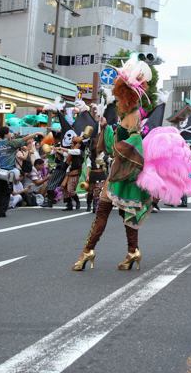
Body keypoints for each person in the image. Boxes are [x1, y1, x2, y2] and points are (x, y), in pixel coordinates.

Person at [72, 58, 154, 271]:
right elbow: (117, 144)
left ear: (126, 96)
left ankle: (88, 251)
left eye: (119, 97)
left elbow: (129, 146)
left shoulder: (132, 116)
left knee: (103, 212)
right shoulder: (131, 114)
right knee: (123, 214)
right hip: (122, 173)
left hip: (123, 173)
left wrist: (108, 131)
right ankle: (132, 251)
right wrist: (107, 127)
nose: (117, 101)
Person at [0, 127, 33, 217]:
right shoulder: (11, 143)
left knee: (0, 190)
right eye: (9, 132)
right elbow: (24, 139)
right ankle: (2, 210)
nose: (10, 134)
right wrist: (36, 133)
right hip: (10, 172)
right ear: (5, 134)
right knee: (7, 191)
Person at [58, 136, 84, 210]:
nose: (71, 144)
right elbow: (65, 154)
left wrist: (61, 148)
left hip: (75, 172)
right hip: (69, 172)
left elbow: (68, 151)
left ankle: (77, 200)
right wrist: (56, 150)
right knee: (65, 189)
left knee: (70, 189)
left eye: (73, 143)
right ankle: (69, 205)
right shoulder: (72, 152)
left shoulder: (78, 151)